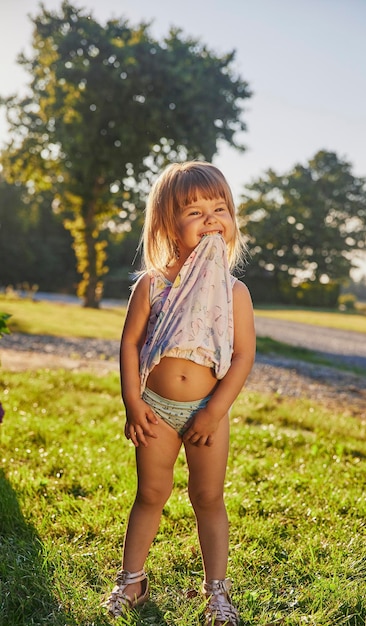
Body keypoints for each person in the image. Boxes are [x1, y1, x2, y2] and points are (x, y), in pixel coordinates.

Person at [104, 161, 255, 625]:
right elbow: (130, 343)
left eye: (220, 208)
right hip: (155, 411)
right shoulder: (152, 285)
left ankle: (217, 593)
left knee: (207, 497)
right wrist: (133, 403)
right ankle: (132, 580)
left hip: (208, 411)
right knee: (150, 493)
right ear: (168, 222)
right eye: (194, 211)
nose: (211, 219)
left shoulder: (234, 292)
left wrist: (215, 412)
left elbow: (244, 356)